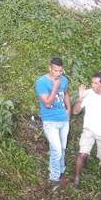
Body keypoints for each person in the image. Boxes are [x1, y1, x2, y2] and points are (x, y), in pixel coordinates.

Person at [35, 57, 71, 187]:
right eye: (55, 70)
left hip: (64, 120)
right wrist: (55, 86)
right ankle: (54, 178)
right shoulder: (41, 82)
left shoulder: (64, 80)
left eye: (60, 71)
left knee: (62, 148)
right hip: (50, 121)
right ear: (49, 68)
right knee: (56, 149)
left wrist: (69, 109)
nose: (58, 74)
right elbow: (48, 102)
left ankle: (61, 172)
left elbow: (65, 93)